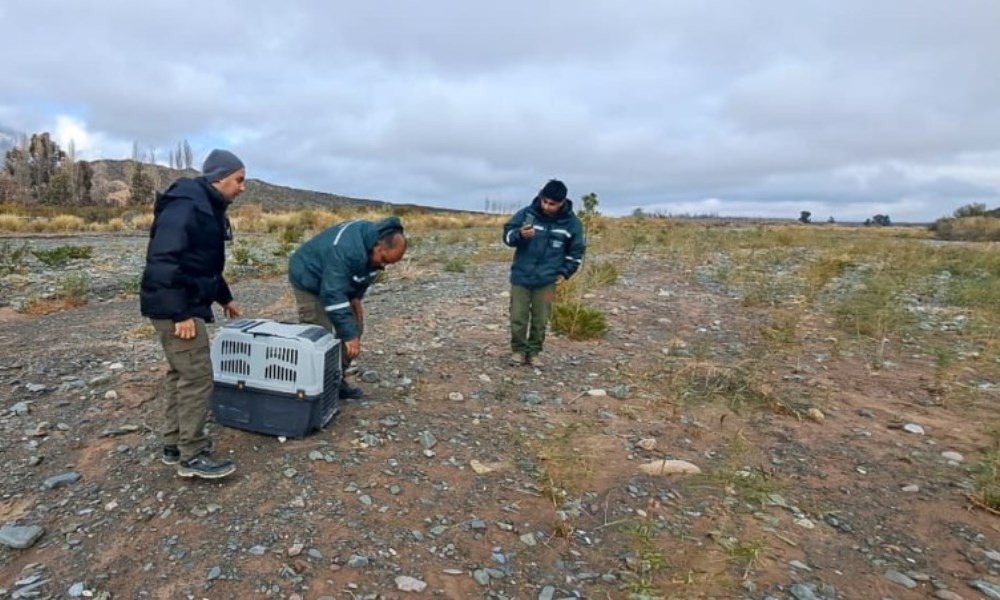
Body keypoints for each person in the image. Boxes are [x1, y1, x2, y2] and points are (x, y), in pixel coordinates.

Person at [140, 149, 246, 480]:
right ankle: (193, 454)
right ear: (220, 178)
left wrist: (224, 298)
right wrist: (180, 313)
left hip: (178, 304)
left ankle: (174, 446)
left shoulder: (207, 205)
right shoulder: (188, 205)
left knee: (181, 374)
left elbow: (202, 264)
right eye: (239, 180)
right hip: (176, 308)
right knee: (198, 377)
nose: (242, 188)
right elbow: (163, 260)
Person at [287, 216, 407, 398]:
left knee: (356, 326)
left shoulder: (373, 251)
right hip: (308, 277)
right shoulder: (346, 249)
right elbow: (332, 294)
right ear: (377, 245)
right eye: (383, 259)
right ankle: (312, 390)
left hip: (334, 281)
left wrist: (356, 298)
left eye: (388, 263)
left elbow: (363, 276)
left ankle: (334, 379)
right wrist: (348, 336)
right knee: (318, 335)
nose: (383, 266)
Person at [502, 179, 586, 367]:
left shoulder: (572, 224)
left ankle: (534, 352)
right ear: (541, 197)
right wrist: (519, 235)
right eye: (545, 201)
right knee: (518, 316)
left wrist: (565, 272)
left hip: (548, 281)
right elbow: (507, 236)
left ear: (562, 202)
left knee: (541, 319)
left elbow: (576, 252)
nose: (547, 206)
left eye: (553, 204)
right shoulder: (526, 214)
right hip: (521, 277)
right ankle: (518, 351)